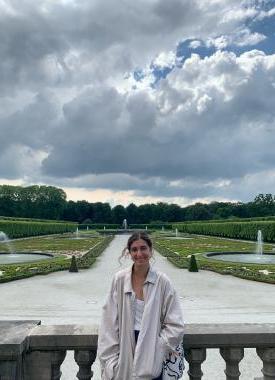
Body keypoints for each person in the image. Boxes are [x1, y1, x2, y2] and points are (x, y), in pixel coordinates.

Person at [98, 231, 184, 380]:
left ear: (151, 251)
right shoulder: (119, 280)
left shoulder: (163, 282)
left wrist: (158, 348)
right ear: (129, 253)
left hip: (152, 346)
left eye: (143, 248)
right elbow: (108, 322)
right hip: (125, 345)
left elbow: (175, 324)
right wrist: (111, 360)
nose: (139, 253)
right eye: (134, 249)